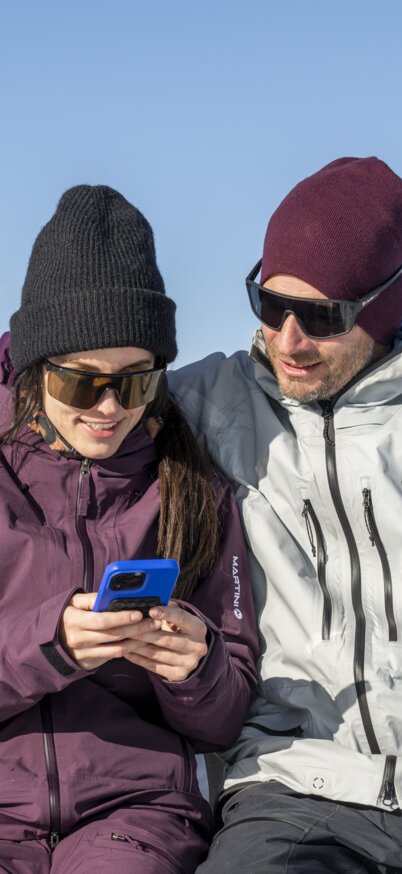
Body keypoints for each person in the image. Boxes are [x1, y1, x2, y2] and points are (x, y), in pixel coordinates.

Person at [0, 185, 259, 874]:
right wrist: (49, 647)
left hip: (136, 815)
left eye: (137, 382)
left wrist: (198, 670)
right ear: (35, 368)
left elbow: (227, 715)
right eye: (84, 384)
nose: (110, 409)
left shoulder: (193, 488)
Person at [169, 157, 402, 873]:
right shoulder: (203, 406)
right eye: (271, 306)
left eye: (323, 316)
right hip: (296, 791)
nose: (290, 339)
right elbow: (57, 386)